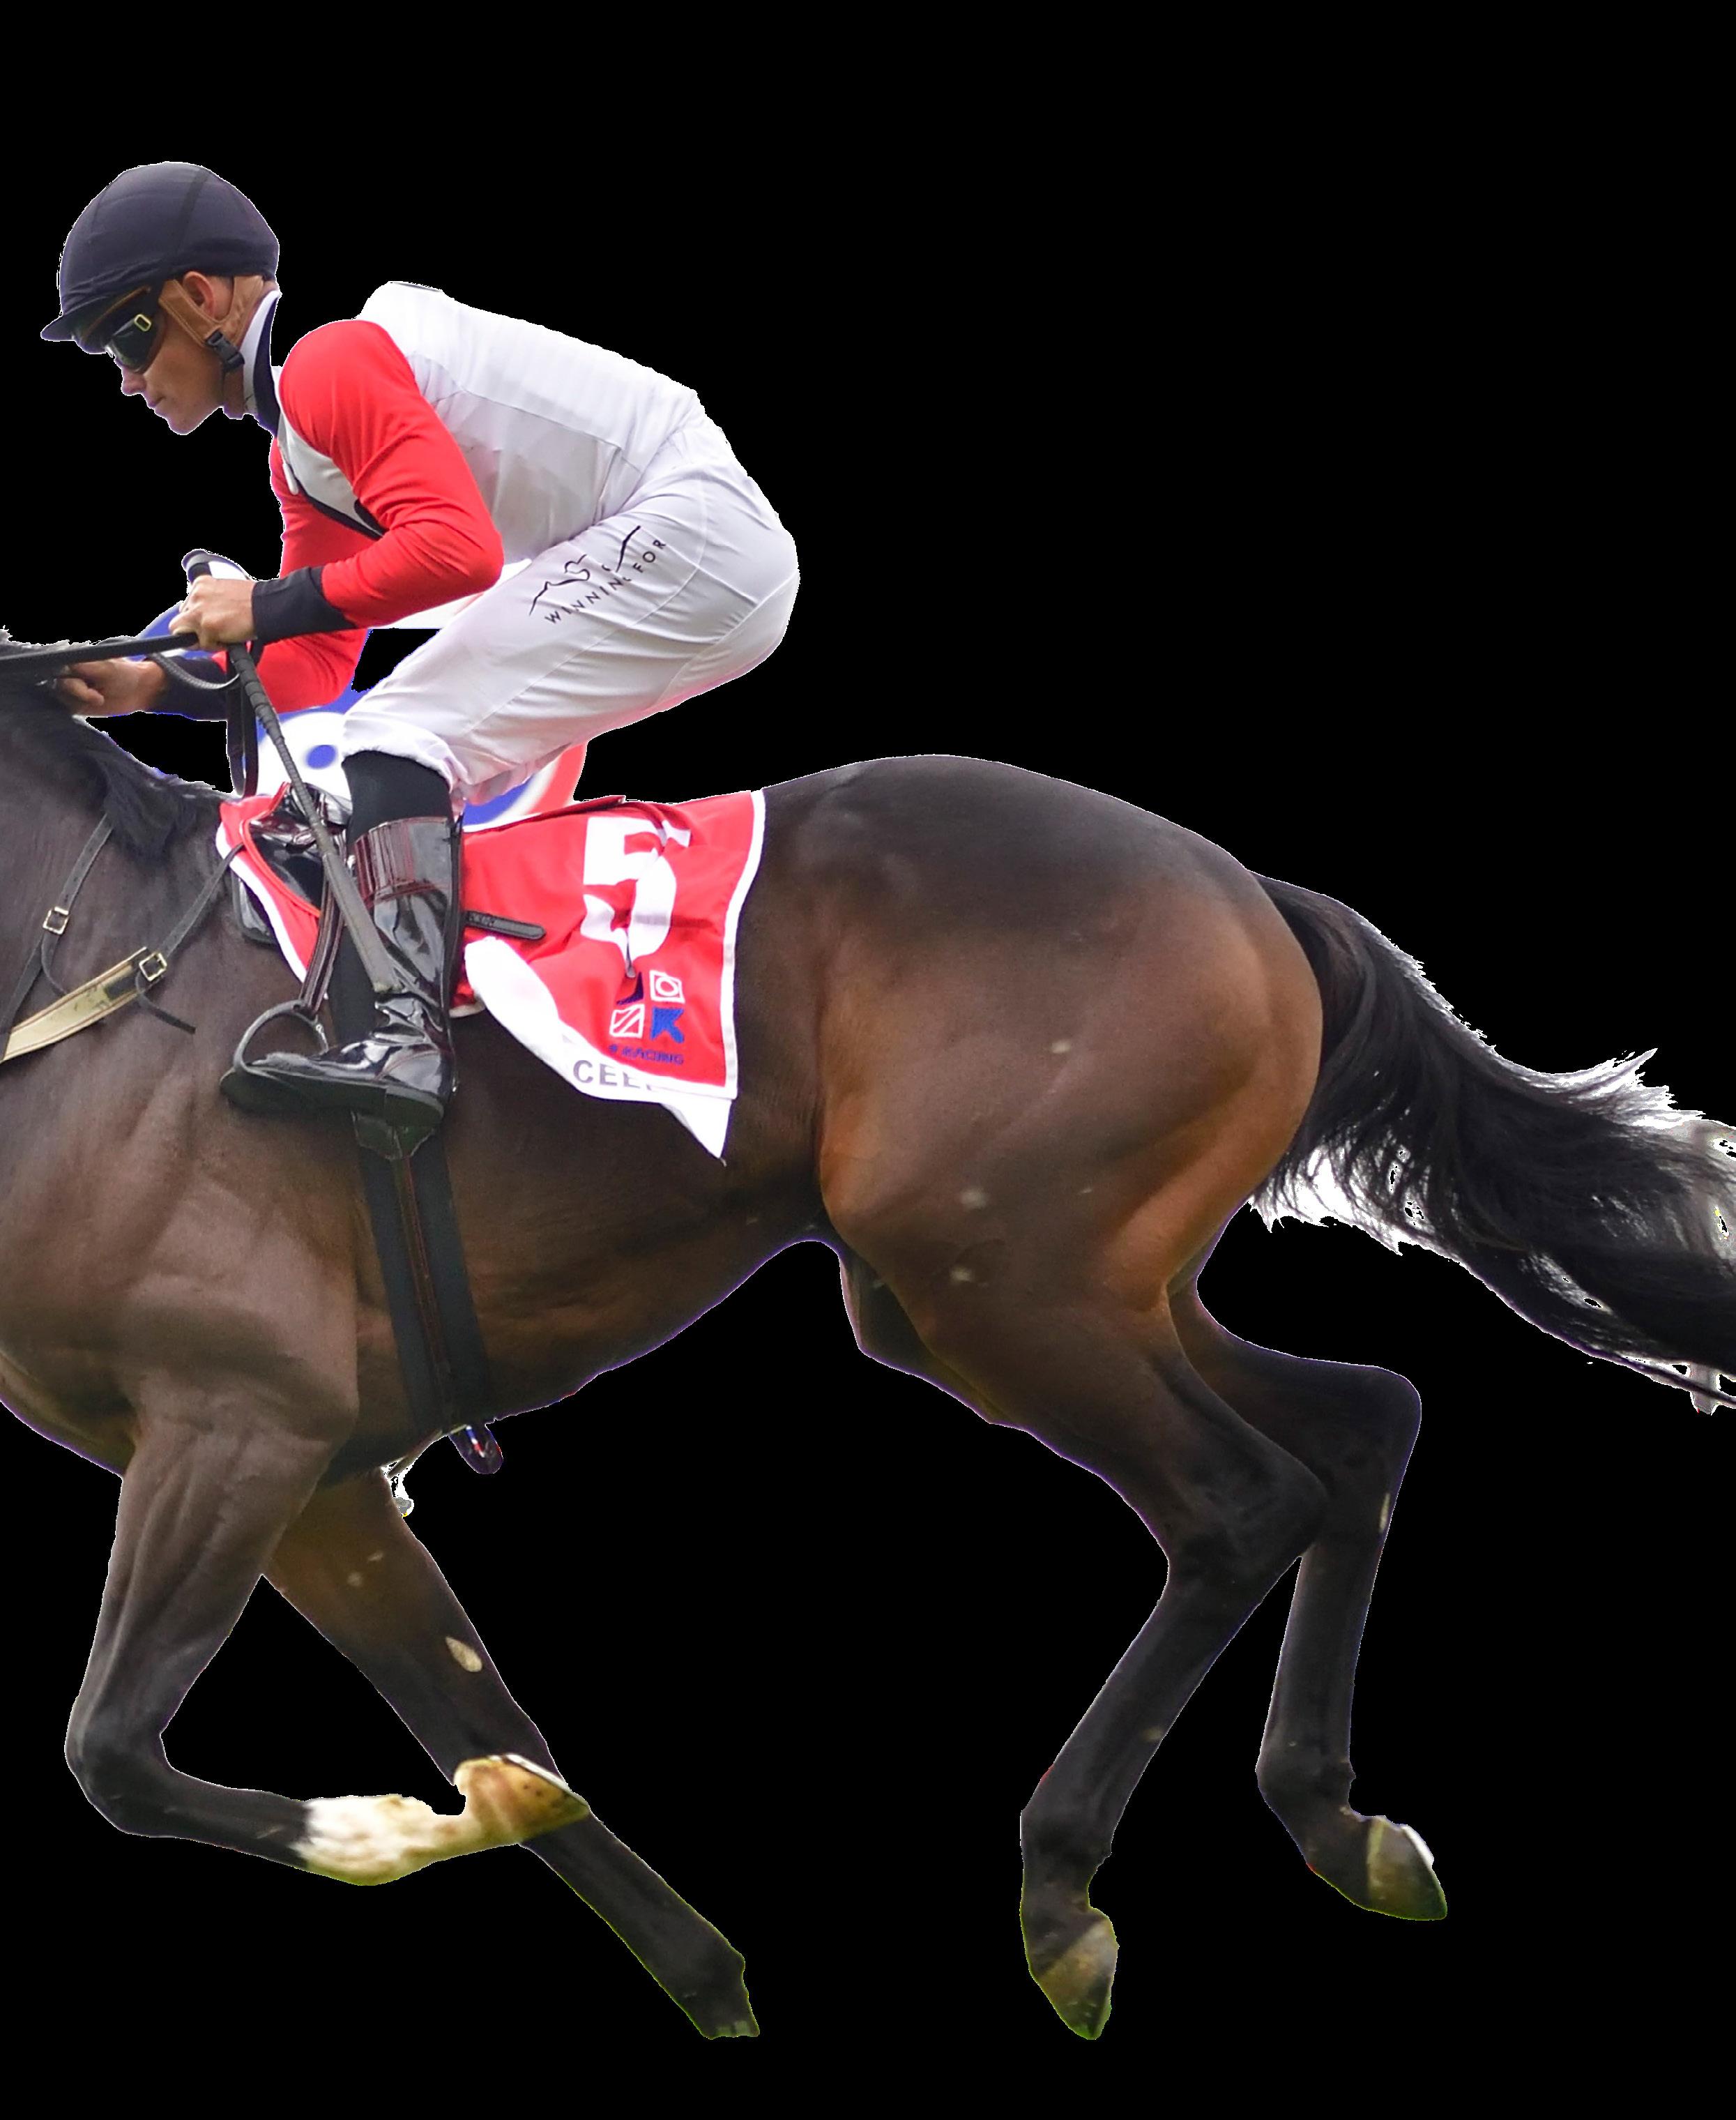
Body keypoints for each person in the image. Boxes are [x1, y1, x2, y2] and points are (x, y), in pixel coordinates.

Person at [44, 162, 798, 1145]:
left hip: (694, 532)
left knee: (396, 737)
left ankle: (405, 1039)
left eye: (128, 338)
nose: (128, 378)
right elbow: (314, 665)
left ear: (200, 297)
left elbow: (457, 553)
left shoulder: (327, 366)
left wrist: (261, 603)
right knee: (386, 733)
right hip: (680, 540)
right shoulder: (301, 451)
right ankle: (430, 1018)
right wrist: (148, 682)